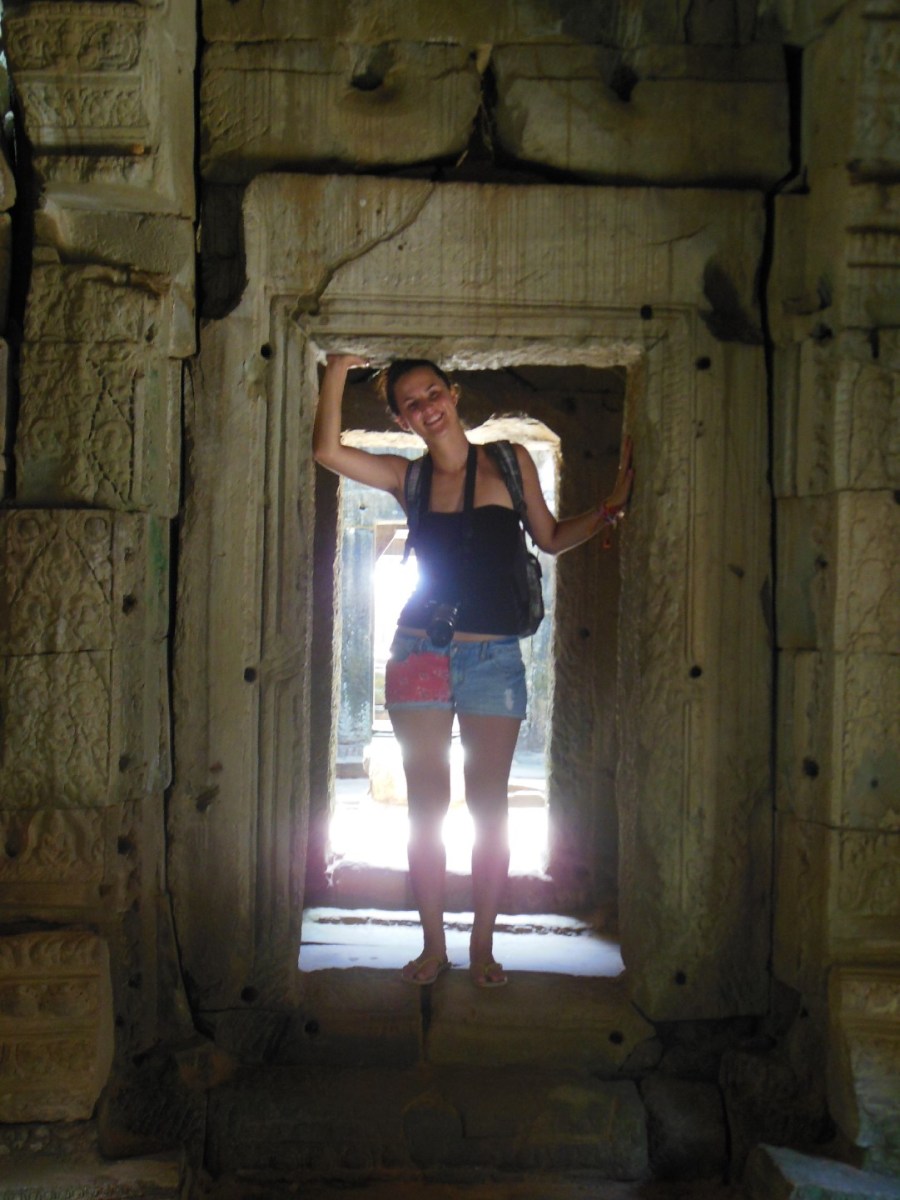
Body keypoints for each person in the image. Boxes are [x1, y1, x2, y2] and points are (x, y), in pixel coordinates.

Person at [313, 354, 633, 988]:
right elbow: (327, 451)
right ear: (401, 419)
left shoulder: (508, 461)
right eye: (411, 403)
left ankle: (483, 946)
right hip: (419, 655)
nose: (427, 407)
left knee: (490, 809)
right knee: (426, 809)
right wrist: (339, 368)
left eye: (433, 392)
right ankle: (434, 946)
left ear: (453, 393)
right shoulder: (408, 478)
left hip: (494, 659)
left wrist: (609, 508)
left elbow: (548, 536)